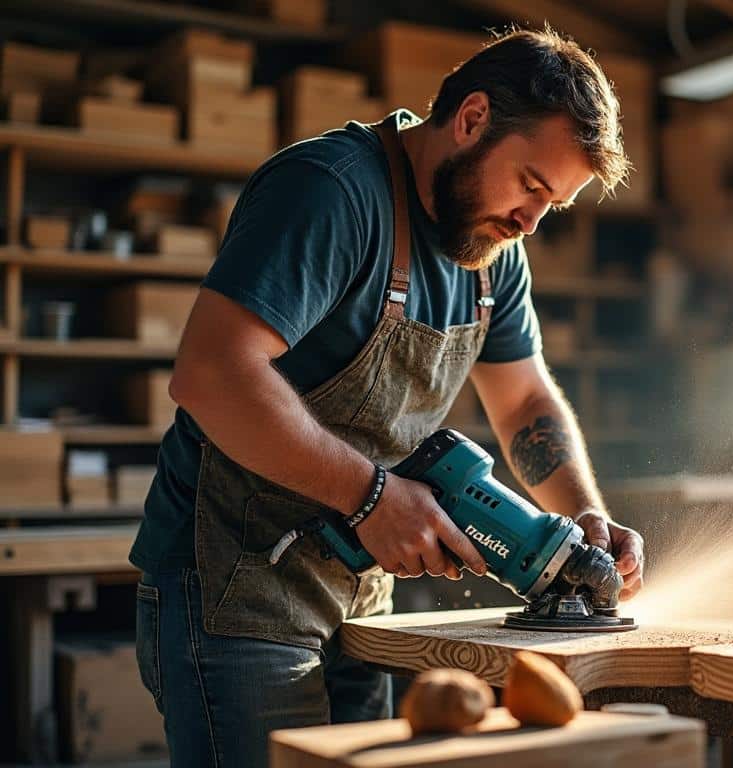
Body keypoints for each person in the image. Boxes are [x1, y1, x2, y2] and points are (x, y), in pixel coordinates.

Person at [129, 28, 646, 766]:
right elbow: (213, 372)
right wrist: (372, 497)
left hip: (359, 594)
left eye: (552, 206)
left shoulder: (493, 250)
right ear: (471, 119)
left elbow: (526, 399)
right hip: (236, 587)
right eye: (531, 185)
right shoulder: (334, 191)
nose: (531, 222)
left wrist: (582, 522)